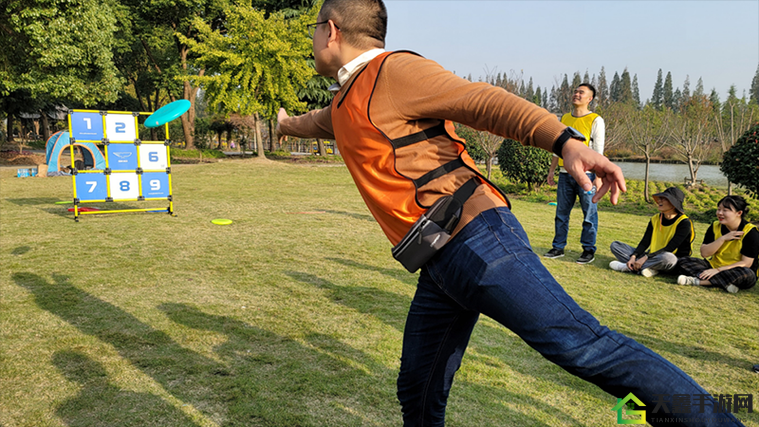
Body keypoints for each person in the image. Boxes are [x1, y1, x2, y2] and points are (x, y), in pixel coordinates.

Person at [276, 1, 743, 425]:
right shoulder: (346, 100)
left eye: (314, 30)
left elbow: (482, 100)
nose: (312, 39)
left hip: (475, 236)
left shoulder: (394, 71)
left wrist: (565, 142)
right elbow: (320, 122)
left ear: (331, 30)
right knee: (417, 387)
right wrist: (285, 124)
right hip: (438, 262)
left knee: (583, 346)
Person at [544, 84, 606, 264]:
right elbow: (558, 147)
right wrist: (552, 170)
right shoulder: (564, 118)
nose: (576, 95)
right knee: (561, 213)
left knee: (589, 215)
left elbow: (598, 152)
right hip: (565, 174)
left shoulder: (596, 120)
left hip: (587, 176)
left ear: (590, 99)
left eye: (581, 92)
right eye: (575, 91)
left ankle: (588, 250)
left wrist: (599, 178)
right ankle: (558, 247)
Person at [676, 195, 758, 294]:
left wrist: (719, 270)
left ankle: (697, 281)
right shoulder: (715, 226)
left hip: (737, 270)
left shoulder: (750, 232)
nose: (720, 213)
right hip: (713, 266)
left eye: (725, 210)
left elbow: (746, 263)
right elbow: (704, 253)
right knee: (683, 261)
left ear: (739, 213)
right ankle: (725, 283)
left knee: (747, 274)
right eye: (718, 209)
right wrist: (722, 239)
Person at [609, 187, 694, 277]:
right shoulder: (655, 219)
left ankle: (628, 267)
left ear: (673, 204)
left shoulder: (684, 223)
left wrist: (645, 258)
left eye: (664, 199)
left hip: (672, 260)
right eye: (660, 198)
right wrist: (634, 256)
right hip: (652, 256)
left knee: (668, 258)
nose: (659, 201)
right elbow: (645, 242)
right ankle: (650, 268)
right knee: (616, 245)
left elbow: (670, 248)